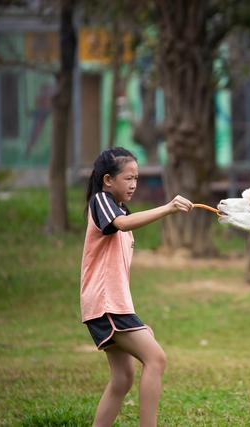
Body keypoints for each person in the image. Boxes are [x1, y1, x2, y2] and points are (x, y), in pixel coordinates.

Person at [81, 147, 193, 427]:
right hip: (105, 304)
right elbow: (121, 224)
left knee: (122, 378)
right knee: (156, 359)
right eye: (128, 178)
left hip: (112, 305)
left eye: (136, 178)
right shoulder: (102, 201)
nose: (133, 184)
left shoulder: (118, 207)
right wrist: (168, 208)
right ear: (108, 180)